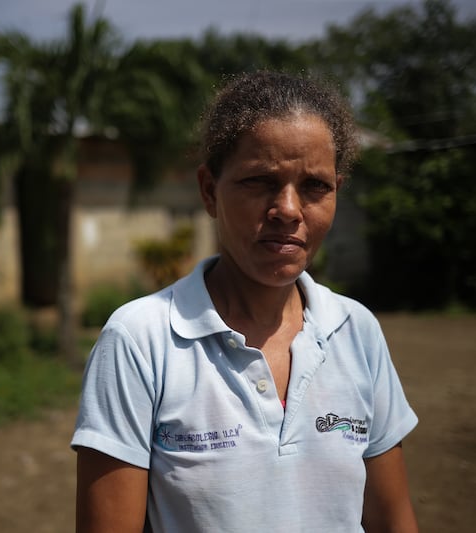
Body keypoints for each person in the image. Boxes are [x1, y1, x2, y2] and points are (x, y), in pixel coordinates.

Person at [71, 70, 419, 532]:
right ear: (210, 191)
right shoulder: (141, 342)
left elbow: (391, 520)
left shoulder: (356, 331)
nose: (289, 210)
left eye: (315, 186)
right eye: (259, 181)